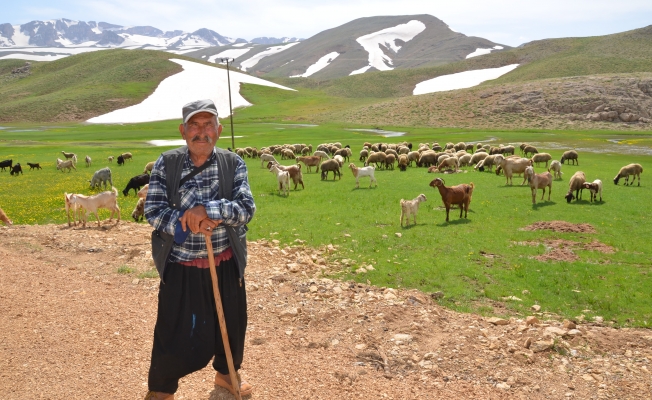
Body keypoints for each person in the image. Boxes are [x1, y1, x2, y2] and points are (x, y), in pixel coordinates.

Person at [143, 99, 256, 399]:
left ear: (218, 130)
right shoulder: (167, 164)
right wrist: (186, 221)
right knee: (172, 329)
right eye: (194, 125)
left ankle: (227, 375)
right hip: (182, 265)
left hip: (225, 262)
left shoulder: (234, 163)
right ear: (182, 131)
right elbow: (153, 211)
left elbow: (246, 209)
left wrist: (210, 210)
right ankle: (162, 389)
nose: (201, 132)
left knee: (231, 324)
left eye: (208, 125)